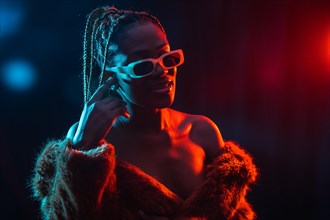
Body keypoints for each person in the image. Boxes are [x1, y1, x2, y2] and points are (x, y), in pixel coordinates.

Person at [31, 6, 258, 220]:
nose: (162, 71)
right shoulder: (91, 143)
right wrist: (83, 149)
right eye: (142, 65)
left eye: (168, 58)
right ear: (112, 75)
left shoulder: (201, 131)